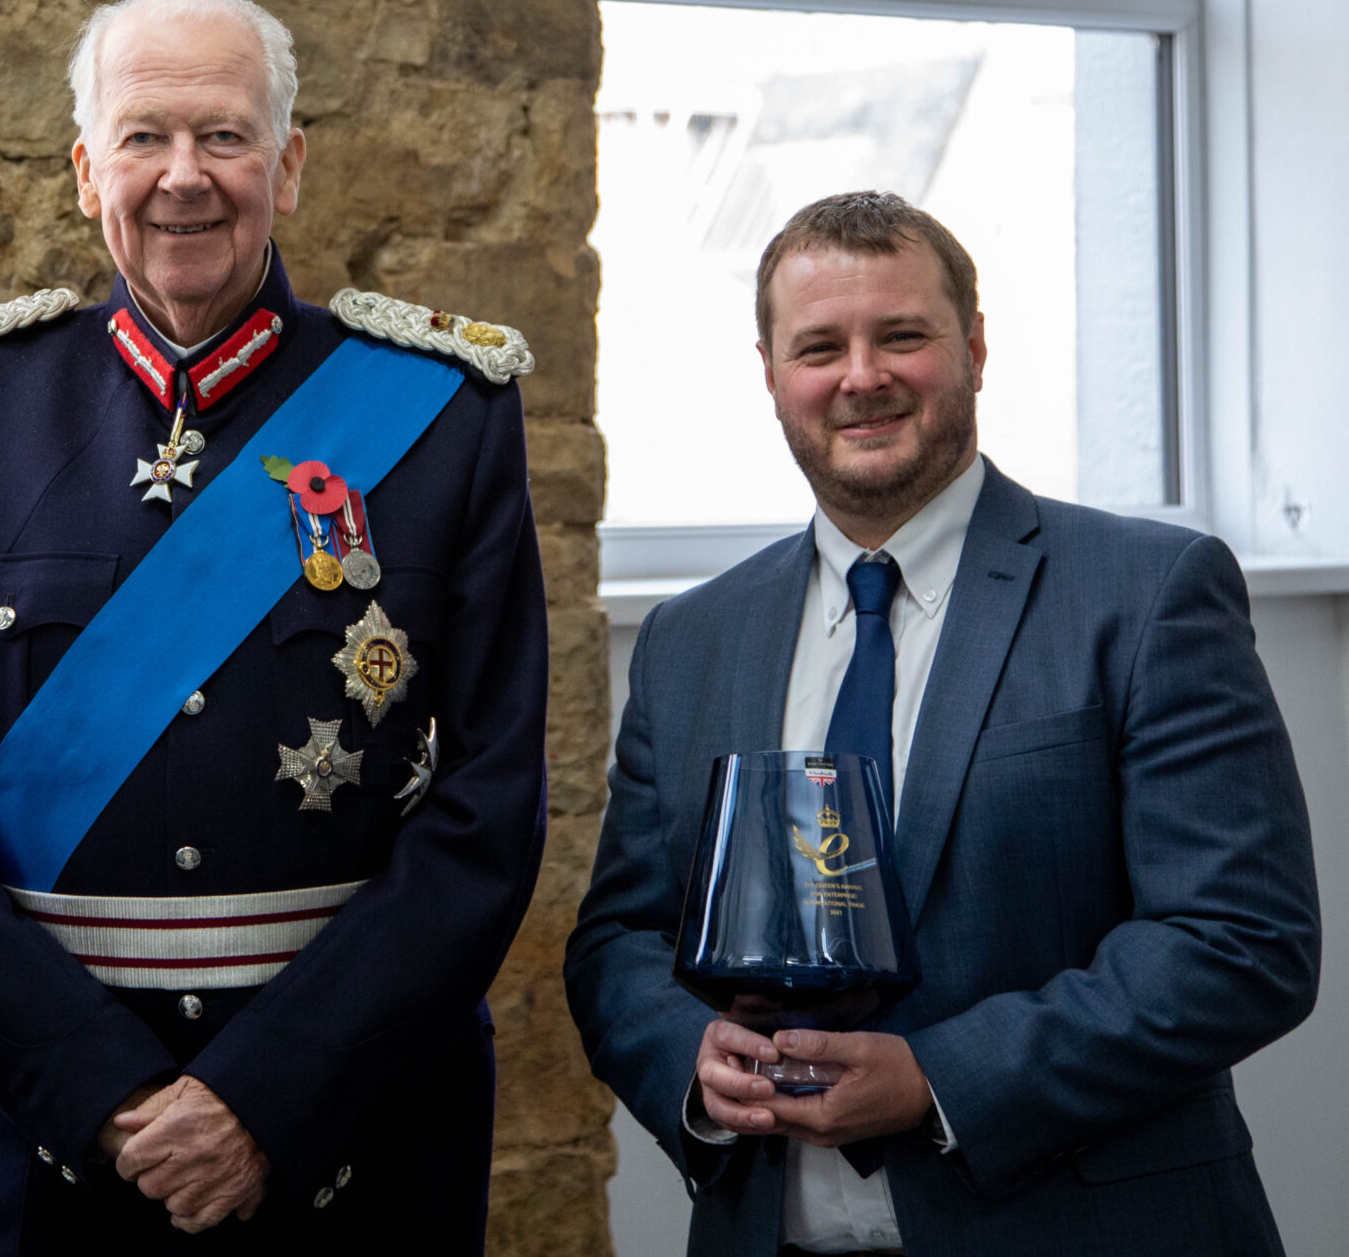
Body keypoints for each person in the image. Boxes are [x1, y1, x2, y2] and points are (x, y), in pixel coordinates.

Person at [0, 0, 553, 1252]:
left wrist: (264, 1100)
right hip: (53, 1142)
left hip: (349, 1140)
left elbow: (487, 808)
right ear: (82, 170)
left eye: (223, 136)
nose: (183, 177)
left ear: (288, 168)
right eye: (142, 137)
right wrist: (99, 1093)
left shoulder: (442, 417)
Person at [565, 191, 1318, 1256]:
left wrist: (936, 1081)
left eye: (901, 335)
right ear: (772, 375)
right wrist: (689, 1055)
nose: (860, 376)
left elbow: (1242, 942)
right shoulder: (693, 638)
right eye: (818, 345)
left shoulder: (1145, 593)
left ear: (971, 347)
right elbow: (619, 942)